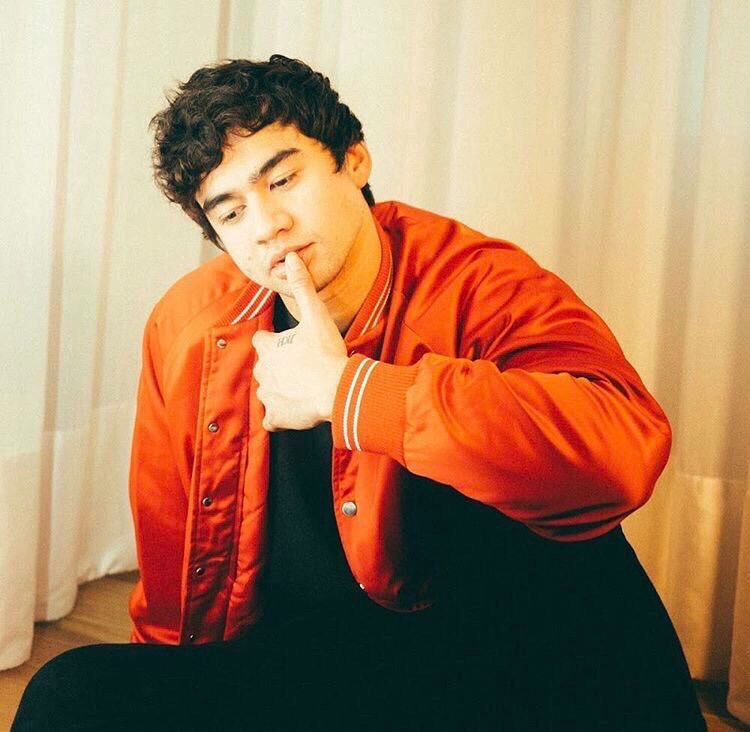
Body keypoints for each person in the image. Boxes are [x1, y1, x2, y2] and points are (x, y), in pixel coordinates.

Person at [13, 55, 706, 730]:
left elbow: (619, 456)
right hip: (314, 666)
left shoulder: (479, 283)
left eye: (283, 179)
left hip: (496, 653)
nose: (267, 225)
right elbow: (174, 551)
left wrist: (351, 392)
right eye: (231, 212)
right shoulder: (189, 324)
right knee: (71, 695)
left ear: (354, 160)